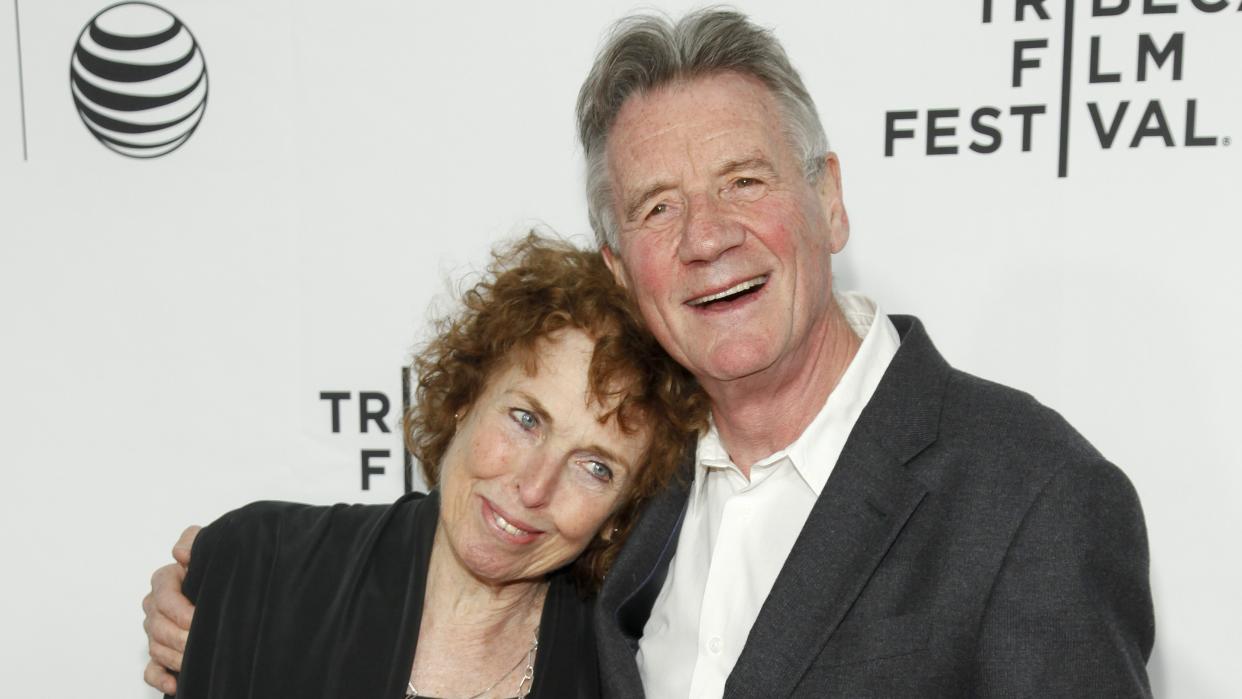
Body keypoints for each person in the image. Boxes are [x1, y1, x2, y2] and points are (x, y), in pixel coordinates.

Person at [147, 9, 1154, 697]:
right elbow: (476, 534)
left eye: (745, 182)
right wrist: (246, 602)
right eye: (658, 208)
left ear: (830, 199)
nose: (707, 237)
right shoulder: (628, 488)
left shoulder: (1031, 497)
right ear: (622, 266)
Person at [150, 233, 706, 698]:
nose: (535, 488)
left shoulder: (630, 673)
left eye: (595, 468)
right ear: (466, 397)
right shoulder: (266, 568)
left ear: (621, 513)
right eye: (526, 419)